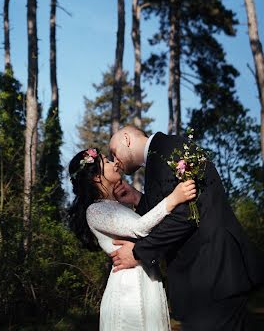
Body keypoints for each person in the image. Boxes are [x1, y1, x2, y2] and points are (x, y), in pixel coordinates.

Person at [109, 125, 264, 331]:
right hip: (206, 279)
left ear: (126, 138)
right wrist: (138, 198)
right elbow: (172, 209)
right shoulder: (160, 155)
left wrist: (138, 252)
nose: (114, 162)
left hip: (212, 274)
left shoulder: (170, 150)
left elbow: (187, 215)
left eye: (113, 152)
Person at [68, 147, 197, 330]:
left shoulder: (117, 206)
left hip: (147, 283)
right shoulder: (95, 210)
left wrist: (135, 198)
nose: (114, 163)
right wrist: (173, 199)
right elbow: (140, 228)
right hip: (129, 291)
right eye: (107, 160)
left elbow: (152, 230)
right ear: (97, 177)